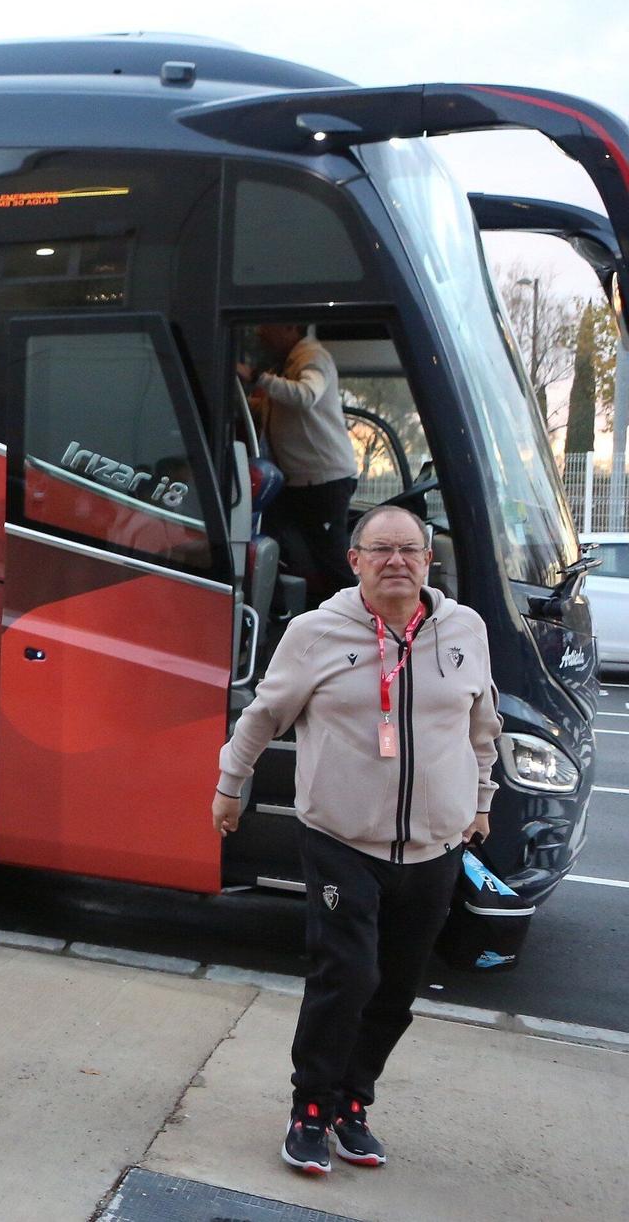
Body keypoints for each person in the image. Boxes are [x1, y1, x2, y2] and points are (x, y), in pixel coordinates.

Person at [213, 504, 498, 1176]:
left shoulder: (465, 631)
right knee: (348, 975)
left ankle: (352, 1103)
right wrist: (231, 785)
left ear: (430, 561)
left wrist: (481, 801)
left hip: (435, 847)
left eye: (409, 549)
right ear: (356, 561)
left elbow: (481, 725)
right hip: (342, 839)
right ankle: (310, 1108)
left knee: (396, 987)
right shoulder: (317, 633)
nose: (396, 560)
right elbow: (262, 716)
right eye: (381, 549)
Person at [240, 322, 361, 602]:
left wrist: (258, 377)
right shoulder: (286, 363)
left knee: (330, 557)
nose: (260, 332)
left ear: (290, 327)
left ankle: (358, 619)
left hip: (322, 479)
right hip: (296, 479)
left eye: (268, 326)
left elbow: (306, 396)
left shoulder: (313, 357)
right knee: (269, 540)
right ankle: (276, 606)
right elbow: (279, 408)